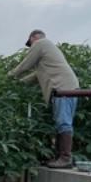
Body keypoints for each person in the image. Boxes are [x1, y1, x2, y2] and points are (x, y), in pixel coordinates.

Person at [8, 29, 79, 169]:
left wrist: (9, 75)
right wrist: (19, 82)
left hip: (62, 87)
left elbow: (26, 64)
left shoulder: (41, 43)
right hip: (68, 86)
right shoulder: (48, 52)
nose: (31, 46)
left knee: (63, 122)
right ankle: (61, 158)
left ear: (34, 37)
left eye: (30, 42)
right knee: (62, 122)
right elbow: (36, 74)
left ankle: (65, 158)